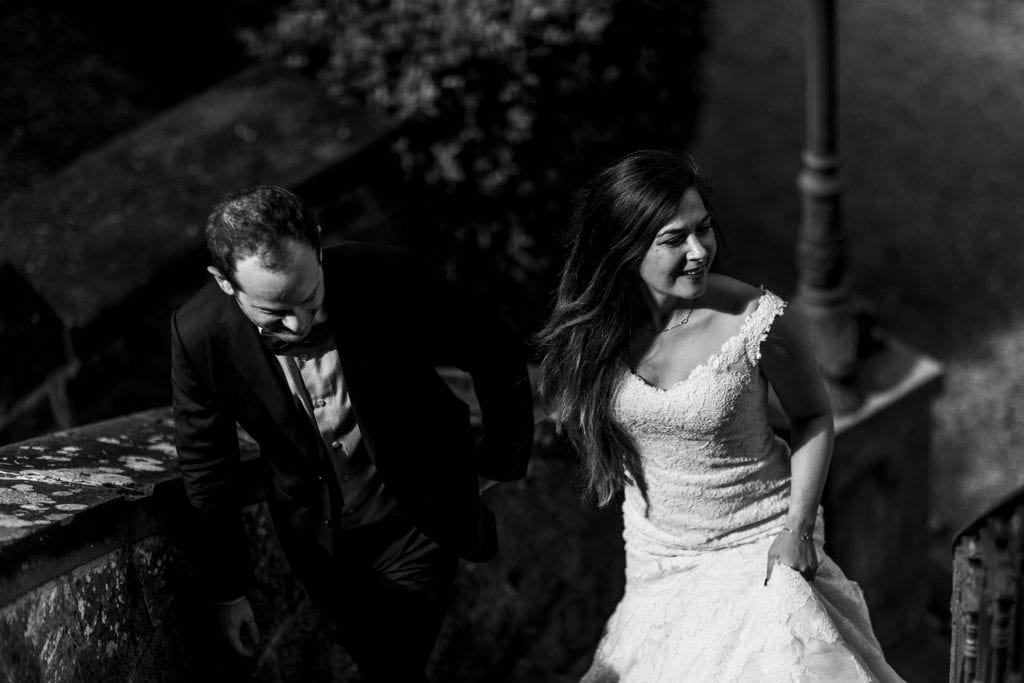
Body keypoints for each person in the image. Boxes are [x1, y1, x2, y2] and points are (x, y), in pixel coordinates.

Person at [537, 150, 904, 681]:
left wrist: (798, 529)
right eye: (673, 239)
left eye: (703, 229)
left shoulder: (755, 320)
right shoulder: (594, 335)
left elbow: (814, 414)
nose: (697, 251)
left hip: (762, 539)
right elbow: (560, 403)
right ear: (623, 249)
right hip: (659, 555)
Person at [171, 185, 534, 681]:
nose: (299, 323)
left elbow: (495, 349)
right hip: (320, 543)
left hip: (418, 517)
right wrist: (228, 589)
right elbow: (206, 463)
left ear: (318, 245)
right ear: (224, 282)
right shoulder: (197, 334)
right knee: (374, 656)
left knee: (393, 661)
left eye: (310, 297)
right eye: (274, 312)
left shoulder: (385, 275)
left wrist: (499, 457)